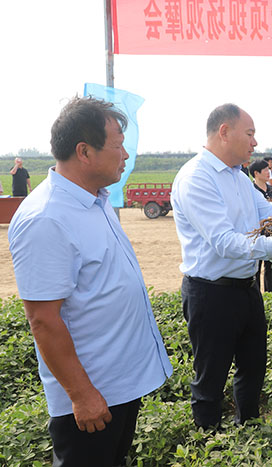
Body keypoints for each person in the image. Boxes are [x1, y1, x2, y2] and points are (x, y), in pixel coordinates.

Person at [8, 97, 173, 466]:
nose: (126, 156)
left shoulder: (95, 200)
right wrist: (81, 395)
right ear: (84, 151)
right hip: (90, 399)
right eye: (117, 146)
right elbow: (43, 320)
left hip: (115, 389)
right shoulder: (47, 218)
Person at [171, 103, 272, 428]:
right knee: (211, 374)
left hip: (247, 289)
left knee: (253, 365)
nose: (254, 143)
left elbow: (269, 212)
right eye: (249, 134)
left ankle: (246, 429)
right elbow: (225, 241)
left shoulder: (238, 176)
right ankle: (208, 443)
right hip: (210, 294)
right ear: (224, 132)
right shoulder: (196, 178)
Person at [250, 159, 272, 293]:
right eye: (265, 170)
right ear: (256, 173)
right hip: (257, 233)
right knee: (255, 266)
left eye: (269, 169)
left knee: (271, 267)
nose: (269, 173)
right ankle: (255, 293)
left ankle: (271, 294)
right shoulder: (250, 191)